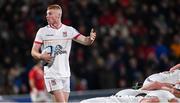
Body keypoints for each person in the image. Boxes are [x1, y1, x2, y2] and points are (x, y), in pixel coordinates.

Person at [31, 4, 96, 102]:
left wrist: (90, 39)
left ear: (58, 15)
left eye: (49, 14)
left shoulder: (69, 30)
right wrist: (41, 56)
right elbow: (33, 51)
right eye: (46, 14)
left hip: (65, 74)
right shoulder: (42, 31)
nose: (47, 16)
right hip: (51, 74)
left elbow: (85, 41)